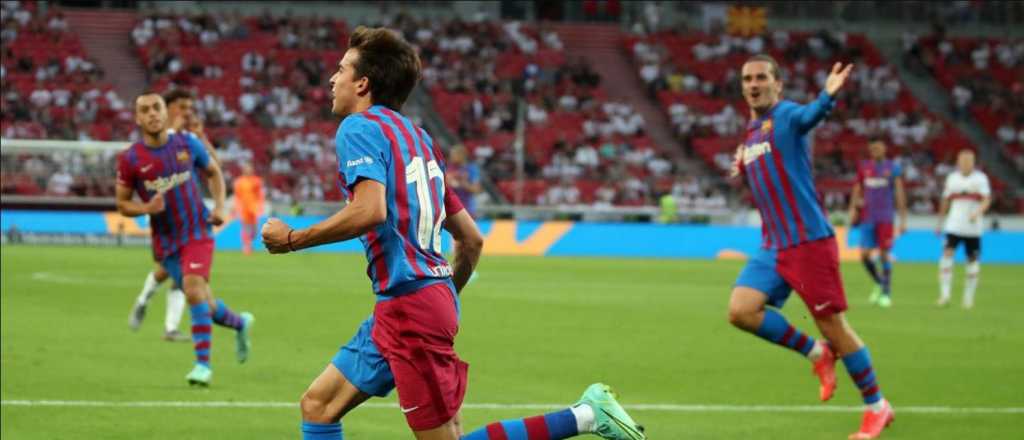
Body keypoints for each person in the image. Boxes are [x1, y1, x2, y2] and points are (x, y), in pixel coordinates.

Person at [260, 26, 645, 440]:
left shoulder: (358, 129)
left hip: (411, 309)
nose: (332, 79)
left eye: (341, 70)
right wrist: (443, 294)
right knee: (318, 406)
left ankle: (585, 415)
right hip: (407, 305)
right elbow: (471, 239)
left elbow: (369, 211)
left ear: (363, 83)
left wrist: (293, 239)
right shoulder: (420, 139)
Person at [727, 55, 894, 439]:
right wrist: (743, 159)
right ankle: (817, 353)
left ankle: (877, 406)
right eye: (747, 79)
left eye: (762, 78)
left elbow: (808, 118)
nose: (754, 84)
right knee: (740, 311)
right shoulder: (752, 133)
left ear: (778, 84)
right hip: (773, 246)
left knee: (834, 325)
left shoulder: (787, 115)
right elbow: (766, 158)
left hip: (807, 243)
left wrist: (827, 96)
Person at [116, 92, 254, 386]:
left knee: (192, 290)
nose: (152, 114)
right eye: (145, 110)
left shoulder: (186, 143)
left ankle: (202, 366)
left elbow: (214, 172)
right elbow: (123, 204)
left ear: (165, 113)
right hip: (166, 243)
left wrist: (218, 206)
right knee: (204, 299)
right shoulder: (130, 159)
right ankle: (241, 323)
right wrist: (145, 208)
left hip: (197, 232)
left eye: (157, 108)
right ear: (138, 118)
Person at [128, 88, 221, 340]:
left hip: (190, 214)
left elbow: (215, 167)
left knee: (186, 274)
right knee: (168, 270)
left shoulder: (188, 136)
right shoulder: (158, 133)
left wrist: (202, 137)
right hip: (164, 213)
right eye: (182, 107)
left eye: (190, 108)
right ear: (166, 108)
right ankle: (144, 299)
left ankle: (170, 327)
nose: (187, 112)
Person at [847, 139, 907, 308]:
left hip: (885, 218)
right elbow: (857, 189)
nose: (876, 150)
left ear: (885, 149)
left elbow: (900, 193)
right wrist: (852, 210)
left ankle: (886, 293)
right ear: (870, 150)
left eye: (879, 147)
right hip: (867, 217)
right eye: (873, 148)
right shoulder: (864, 167)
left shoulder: (892, 167)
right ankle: (880, 282)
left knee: (884, 254)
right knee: (864, 255)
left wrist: (903, 219)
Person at [936, 149, 991, 309]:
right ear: (958, 162)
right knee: (947, 254)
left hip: (973, 228)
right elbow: (945, 201)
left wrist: (977, 212)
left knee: (972, 260)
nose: (966, 163)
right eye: (963, 160)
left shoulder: (980, 179)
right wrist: (940, 222)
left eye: (969, 160)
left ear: (973, 162)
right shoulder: (952, 178)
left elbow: (986, 200)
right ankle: (945, 295)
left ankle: (968, 299)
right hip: (954, 225)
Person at [233, 162, 265, 255]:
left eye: (249, 169)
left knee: (254, 231)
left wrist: (260, 206)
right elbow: (237, 196)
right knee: (245, 228)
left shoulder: (257, 181)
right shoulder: (239, 182)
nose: (248, 170)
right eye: (246, 169)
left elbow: (260, 195)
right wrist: (237, 207)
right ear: (243, 170)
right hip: (244, 208)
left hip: (254, 208)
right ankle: (247, 246)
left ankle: (248, 243)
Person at [444, 144, 482, 218]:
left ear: (462, 155)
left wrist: (462, 183)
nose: (451, 157)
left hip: (467, 210)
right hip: (449, 210)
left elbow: (476, 189)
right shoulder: (447, 168)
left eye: (453, 154)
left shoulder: (471, 169)